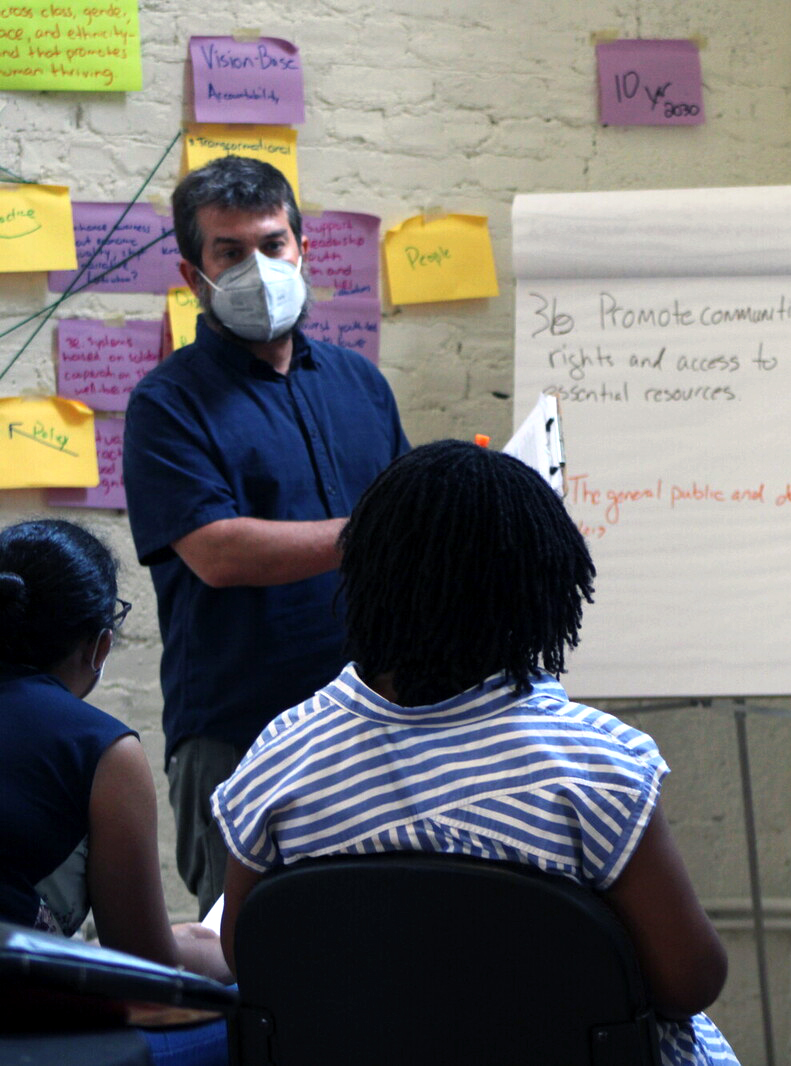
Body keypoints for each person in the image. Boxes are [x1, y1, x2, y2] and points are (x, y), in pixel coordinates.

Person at [210, 440, 739, 1065]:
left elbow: (251, 958)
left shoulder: (282, 757)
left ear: (363, 576)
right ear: (542, 591)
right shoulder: (596, 767)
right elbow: (689, 982)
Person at [123, 155, 409, 915]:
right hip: (239, 734)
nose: (259, 266)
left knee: (384, 964)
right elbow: (216, 552)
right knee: (258, 979)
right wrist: (386, 531)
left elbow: (412, 546)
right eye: (230, 252)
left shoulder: (359, 384)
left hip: (378, 722)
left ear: (302, 249)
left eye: (272, 244)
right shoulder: (166, 403)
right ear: (194, 275)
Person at [0, 519, 231, 1062]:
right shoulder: (101, 748)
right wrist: (233, 946)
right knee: (257, 1017)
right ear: (100, 646)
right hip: (18, 1035)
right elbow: (146, 965)